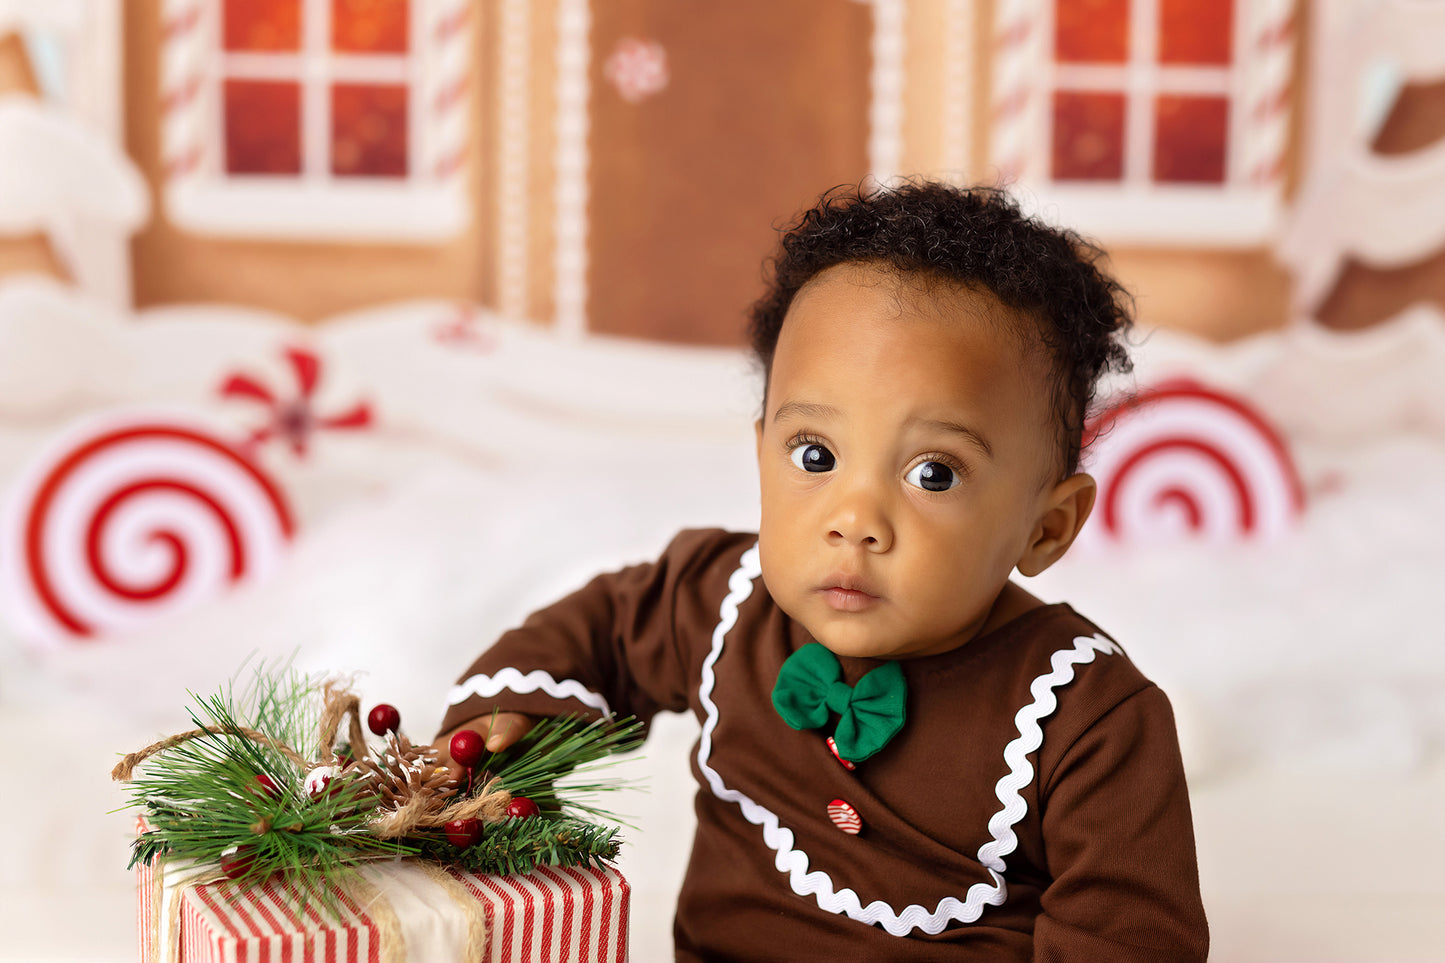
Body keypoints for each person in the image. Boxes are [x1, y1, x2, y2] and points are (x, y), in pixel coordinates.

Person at [435, 182, 1208, 961]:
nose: (855, 519)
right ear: (762, 445)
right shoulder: (719, 601)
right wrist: (501, 724)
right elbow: (593, 636)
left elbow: (1128, 938)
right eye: (815, 455)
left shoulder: (1087, 717)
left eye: (932, 473)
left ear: (1045, 527)